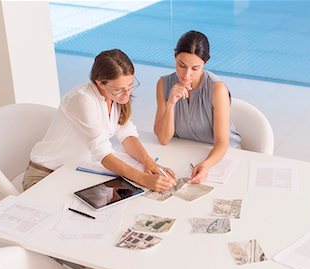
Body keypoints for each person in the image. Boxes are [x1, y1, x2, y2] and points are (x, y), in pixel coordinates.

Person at [22, 49, 176, 192]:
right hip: (45, 176)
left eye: (130, 85)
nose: (126, 94)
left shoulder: (116, 98)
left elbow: (127, 133)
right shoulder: (82, 99)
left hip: (74, 172)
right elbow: (102, 152)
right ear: (100, 83)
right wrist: (143, 179)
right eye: (119, 89)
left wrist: (148, 162)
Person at [154, 30, 241, 183]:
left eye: (195, 68)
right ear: (175, 56)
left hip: (219, 156)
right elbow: (163, 138)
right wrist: (171, 103)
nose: (186, 75)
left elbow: (222, 143)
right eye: (181, 65)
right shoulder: (163, 84)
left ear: (204, 64)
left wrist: (205, 165)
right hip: (186, 153)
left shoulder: (217, 89)